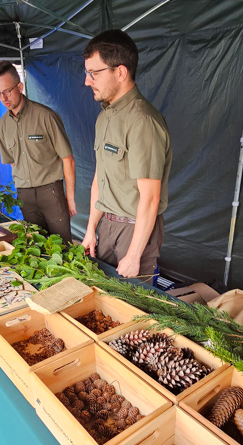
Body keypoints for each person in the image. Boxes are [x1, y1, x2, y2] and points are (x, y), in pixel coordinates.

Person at [81, 29, 172, 279]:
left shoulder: (142, 120)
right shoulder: (105, 117)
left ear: (120, 72)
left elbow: (150, 199)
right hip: (107, 227)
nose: (87, 80)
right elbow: (100, 177)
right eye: (87, 73)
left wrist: (133, 256)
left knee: (133, 311)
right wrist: (91, 229)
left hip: (135, 231)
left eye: (94, 73)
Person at [0, 61, 76, 243]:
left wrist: (71, 199)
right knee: (37, 247)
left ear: (19, 87)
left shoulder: (46, 117)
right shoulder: (2, 125)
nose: (4, 98)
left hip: (51, 192)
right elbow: (13, 162)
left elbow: (68, 159)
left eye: (7, 91)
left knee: (64, 247)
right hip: (25, 195)